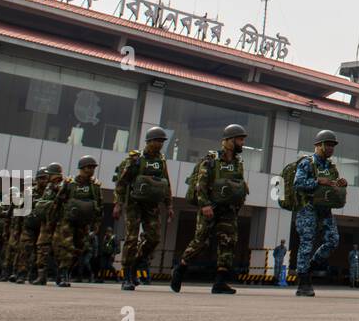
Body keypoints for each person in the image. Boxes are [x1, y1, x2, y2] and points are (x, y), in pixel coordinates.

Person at [171, 124, 250, 295]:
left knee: (228, 242)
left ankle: (220, 282)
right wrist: (205, 204)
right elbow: (201, 184)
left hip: (228, 210)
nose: (242, 143)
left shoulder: (238, 162)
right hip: (210, 207)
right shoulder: (211, 160)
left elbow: (238, 184)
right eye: (240, 139)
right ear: (229, 141)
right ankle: (180, 268)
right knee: (201, 242)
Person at [115, 126, 174, 290]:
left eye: (162, 141)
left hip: (152, 205)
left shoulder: (161, 161)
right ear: (148, 141)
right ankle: (126, 275)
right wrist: (118, 204)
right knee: (131, 239)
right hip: (134, 204)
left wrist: (169, 205)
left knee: (154, 238)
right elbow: (122, 182)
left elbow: (166, 184)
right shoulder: (136, 160)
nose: (159, 144)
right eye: (157, 141)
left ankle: (136, 264)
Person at [292, 130, 346, 297]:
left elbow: (334, 186)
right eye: (327, 144)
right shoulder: (307, 163)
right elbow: (298, 183)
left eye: (332, 145)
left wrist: (341, 184)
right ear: (318, 145)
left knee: (333, 240)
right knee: (307, 243)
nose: (330, 148)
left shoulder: (331, 167)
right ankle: (303, 281)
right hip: (307, 207)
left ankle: (311, 267)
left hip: (325, 209)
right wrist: (317, 181)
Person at [54, 156, 103, 288]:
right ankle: (64, 273)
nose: (91, 170)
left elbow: (99, 205)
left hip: (84, 223)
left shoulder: (95, 186)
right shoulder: (70, 183)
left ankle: (65, 270)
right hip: (67, 221)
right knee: (67, 246)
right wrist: (54, 220)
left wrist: (97, 224)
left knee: (80, 249)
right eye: (89, 167)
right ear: (81, 168)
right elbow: (58, 201)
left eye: (93, 167)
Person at [31, 163, 67, 286]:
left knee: (59, 250)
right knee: (42, 248)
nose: (47, 177)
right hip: (46, 222)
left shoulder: (65, 185)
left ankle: (60, 277)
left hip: (59, 223)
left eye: (48, 175)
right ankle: (41, 276)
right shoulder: (48, 187)